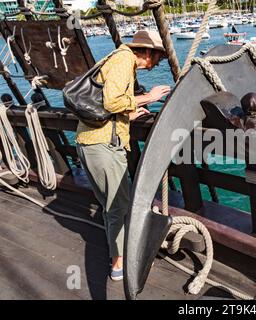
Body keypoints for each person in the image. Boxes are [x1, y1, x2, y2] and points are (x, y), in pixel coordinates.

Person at [75, 30, 171, 281]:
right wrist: (149, 98)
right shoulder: (123, 60)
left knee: (111, 206)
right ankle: (119, 264)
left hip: (93, 142)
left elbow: (109, 107)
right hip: (103, 146)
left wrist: (129, 114)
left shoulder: (117, 59)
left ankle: (115, 253)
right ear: (147, 52)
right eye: (158, 57)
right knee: (118, 206)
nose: (157, 63)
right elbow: (111, 102)